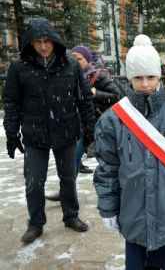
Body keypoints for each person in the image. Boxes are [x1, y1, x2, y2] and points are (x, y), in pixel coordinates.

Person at [93, 34, 165, 269]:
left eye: (151, 77)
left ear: (159, 76)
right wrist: (107, 206)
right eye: (138, 77)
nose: (145, 84)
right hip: (135, 215)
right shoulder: (113, 120)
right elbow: (108, 169)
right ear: (129, 78)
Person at [3, 17, 95, 244]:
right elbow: (12, 103)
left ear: (54, 41)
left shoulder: (70, 65)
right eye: (37, 41)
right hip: (35, 133)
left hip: (65, 130)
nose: (43, 46)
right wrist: (12, 134)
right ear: (30, 43)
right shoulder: (19, 68)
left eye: (47, 41)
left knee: (68, 177)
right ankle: (35, 223)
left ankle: (71, 216)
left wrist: (91, 128)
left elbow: (84, 99)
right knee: (34, 181)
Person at [45, 45, 124, 201]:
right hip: (82, 126)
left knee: (110, 161)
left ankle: (120, 192)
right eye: (73, 58)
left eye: (79, 58)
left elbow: (117, 95)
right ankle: (66, 192)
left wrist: (95, 93)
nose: (75, 61)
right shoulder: (69, 75)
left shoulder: (97, 75)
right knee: (72, 160)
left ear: (87, 60)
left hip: (101, 126)